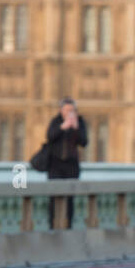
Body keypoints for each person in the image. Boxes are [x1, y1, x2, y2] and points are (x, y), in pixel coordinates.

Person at [46, 97, 87, 228]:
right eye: (67, 110)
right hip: (55, 166)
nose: (70, 113)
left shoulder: (80, 122)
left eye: (72, 110)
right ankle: (52, 226)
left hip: (71, 166)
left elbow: (84, 142)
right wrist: (62, 127)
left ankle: (68, 226)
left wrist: (75, 128)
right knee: (54, 198)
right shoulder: (56, 121)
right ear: (61, 110)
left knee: (69, 199)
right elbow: (50, 137)